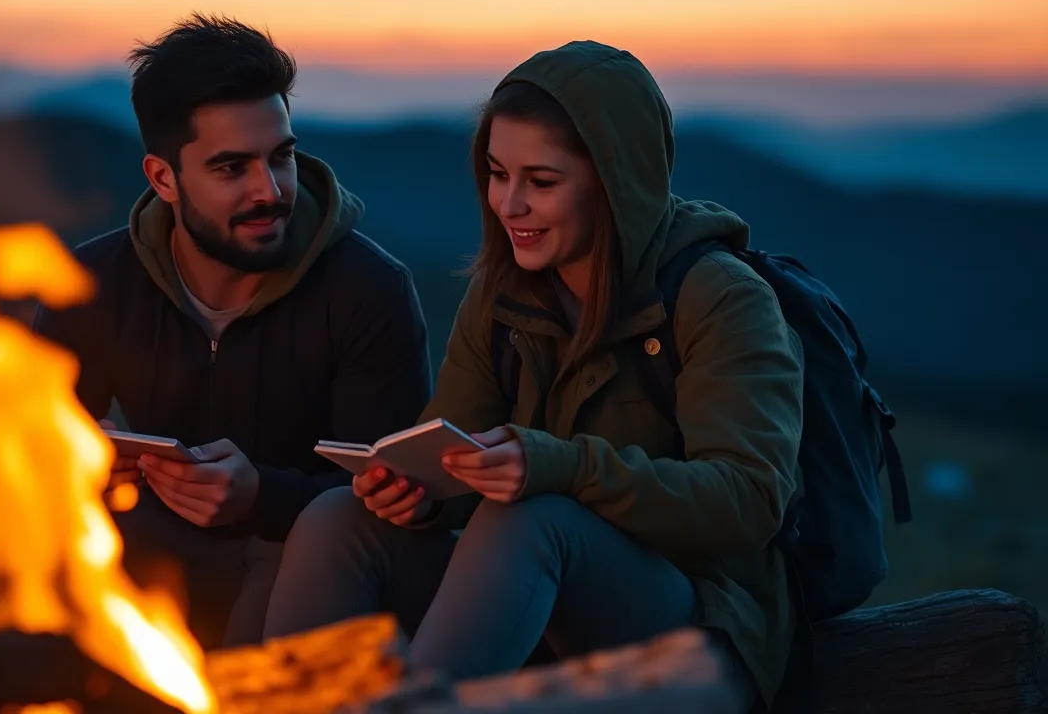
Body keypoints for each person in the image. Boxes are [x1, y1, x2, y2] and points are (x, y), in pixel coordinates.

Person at [263, 40, 805, 713]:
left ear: (615, 184)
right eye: (497, 174)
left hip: (699, 631)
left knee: (531, 519)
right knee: (338, 517)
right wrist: (422, 495)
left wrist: (560, 467)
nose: (508, 204)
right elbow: (455, 458)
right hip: (536, 600)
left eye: (541, 182)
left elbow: (748, 502)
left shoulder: (719, 298)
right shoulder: (504, 297)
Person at [0, 14, 433, 650]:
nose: (269, 190)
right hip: (141, 554)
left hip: (299, 560)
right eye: (231, 169)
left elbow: (391, 504)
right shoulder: (91, 283)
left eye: (281, 157)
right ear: (163, 178)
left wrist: (260, 497)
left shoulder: (367, 289)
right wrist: (75, 469)